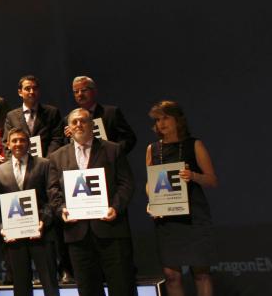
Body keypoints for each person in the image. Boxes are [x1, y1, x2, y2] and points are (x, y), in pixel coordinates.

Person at [49, 108, 135, 296]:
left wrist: (115, 207)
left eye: (83, 121)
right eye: (74, 122)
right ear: (68, 129)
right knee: (88, 290)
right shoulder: (56, 157)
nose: (79, 125)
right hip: (77, 234)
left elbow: (126, 183)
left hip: (111, 230)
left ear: (92, 125)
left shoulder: (113, 149)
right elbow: (53, 190)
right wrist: (61, 209)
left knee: (122, 287)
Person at [146, 100, 217, 296]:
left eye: (166, 118)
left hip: (194, 216)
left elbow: (212, 180)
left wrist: (193, 176)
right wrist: (152, 201)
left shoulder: (194, 145)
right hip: (167, 219)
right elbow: (150, 182)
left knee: (201, 273)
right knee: (171, 275)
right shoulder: (153, 149)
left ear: (178, 120)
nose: (161, 123)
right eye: (158, 119)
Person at [0, 128, 61, 296]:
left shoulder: (44, 164)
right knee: (21, 286)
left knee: (49, 284)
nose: (18, 143)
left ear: (29, 143)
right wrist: (3, 226)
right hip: (14, 236)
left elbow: (52, 196)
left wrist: (43, 222)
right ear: (8, 144)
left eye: (22, 140)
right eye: (14, 140)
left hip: (42, 232)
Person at [72, 76, 137, 155]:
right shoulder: (70, 119)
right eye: (76, 91)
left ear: (94, 91)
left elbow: (129, 138)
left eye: (84, 90)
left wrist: (114, 153)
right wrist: (70, 138)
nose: (80, 94)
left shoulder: (111, 113)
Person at [4, 75, 66, 156]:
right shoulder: (11, 116)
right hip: (20, 163)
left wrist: (46, 161)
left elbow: (57, 139)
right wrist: (15, 162)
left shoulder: (52, 112)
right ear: (20, 92)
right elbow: (6, 142)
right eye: (27, 89)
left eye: (35, 88)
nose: (32, 91)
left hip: (47, 162)